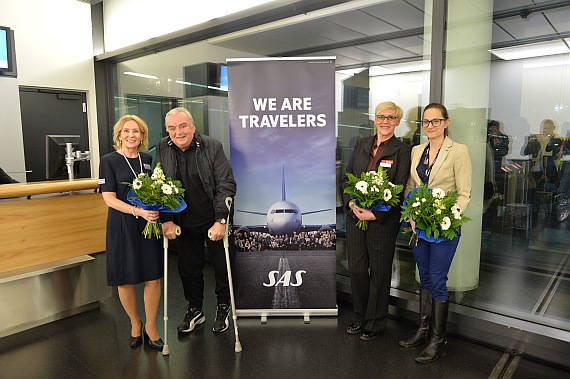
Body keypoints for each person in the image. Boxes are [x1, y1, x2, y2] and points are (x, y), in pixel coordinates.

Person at [399, 103, 472, 363]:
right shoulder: (417, 150)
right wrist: (409, 215)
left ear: (446, 122)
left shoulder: (459, 151)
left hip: (443, 227)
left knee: (438, 279)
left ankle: (438, 340)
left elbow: (464, 193)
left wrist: (446, 217)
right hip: (419, 226)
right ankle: (423, 330)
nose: (430, 126)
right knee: (425, 277)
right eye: (426, 122)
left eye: (435, 121)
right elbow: (410, 186)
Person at [155, 107, 237, 335]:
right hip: (183, 222)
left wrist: (221, 220)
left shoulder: (212, 146)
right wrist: (166, 220)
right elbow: (158, 185)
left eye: (182, 126)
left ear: (192, 126)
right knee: (188, 270)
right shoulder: (163, 147)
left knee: (222, 267)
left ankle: (223, 307)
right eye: (172, 128)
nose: (178, 132)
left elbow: (226, 184)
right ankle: (195, 309)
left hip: (211, 218)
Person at [342, 101, 411, 341]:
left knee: (380, 273)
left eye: (391, 118)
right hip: (355, 218)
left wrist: (376, 213)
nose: (385, 121)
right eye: (381, 116)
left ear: (397, 122)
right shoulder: (361, 145)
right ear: (375, 119)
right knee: (358, 270)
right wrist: (352, 203)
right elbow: (347, 179)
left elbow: (400, 187)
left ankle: (375, 321)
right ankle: (360, 316)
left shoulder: (402, 150)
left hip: (382, 222)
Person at [99, 115, 164, 349]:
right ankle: (135, 323)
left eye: (136, 131)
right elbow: (109, 199)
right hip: (122, 225)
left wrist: (156, 208)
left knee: (152, 275)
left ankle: (151, 327)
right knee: (124, 277)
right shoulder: (109, 160)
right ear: (119, 135)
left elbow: (155, 191)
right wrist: (137, 211)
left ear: (142, 136)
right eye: (126, 131)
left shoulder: (147, 160)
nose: (131, 135)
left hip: (147, 224)